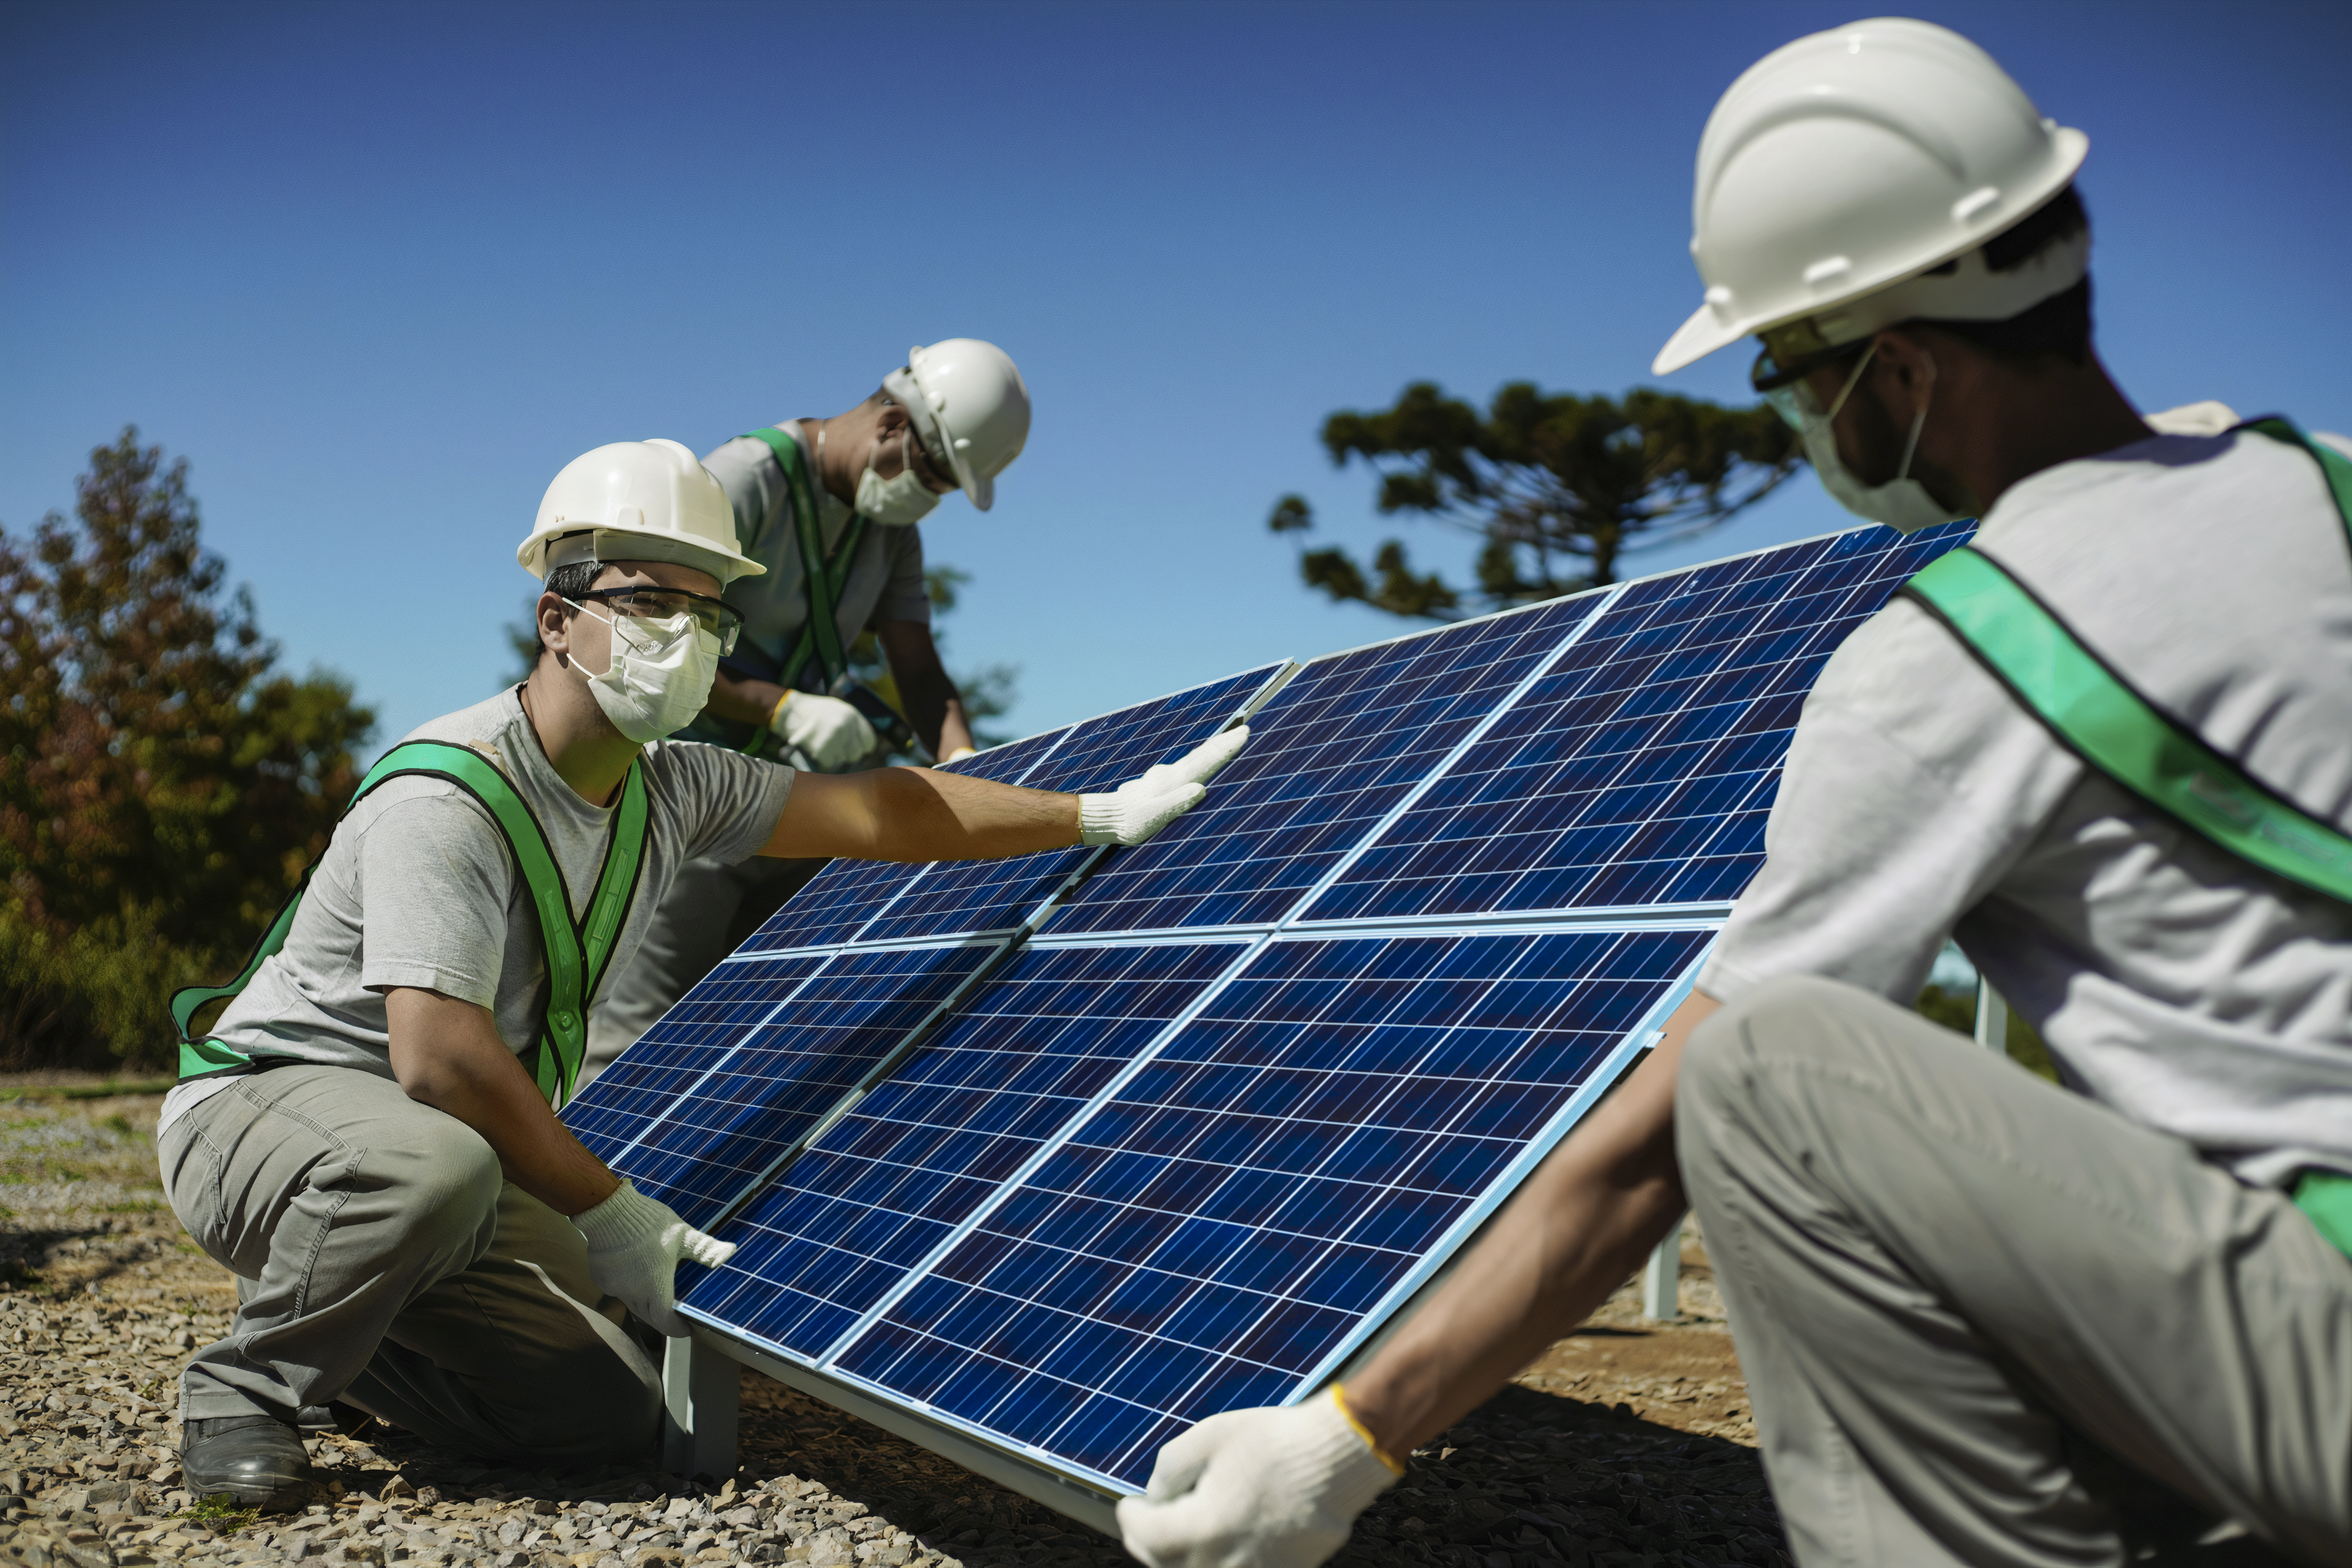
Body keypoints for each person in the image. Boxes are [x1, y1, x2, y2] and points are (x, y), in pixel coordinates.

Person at [1116, 19, 2352, 1568]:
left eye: (1791, 373)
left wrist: (1349, 1436)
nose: (1798, 418)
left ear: (1899, 365)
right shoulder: (2330, 480)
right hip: (2280, 1325)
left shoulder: (1951, 662)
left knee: (1769, 1076)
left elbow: (1658, 1144)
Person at [159, 436, 1243, 1510]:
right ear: (557, 620)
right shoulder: (450, 798)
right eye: (649, 606)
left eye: (708, 614)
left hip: (442, 1146)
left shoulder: (676, 788)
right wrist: (614, 1211)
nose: (686, 640)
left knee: (607, 1416)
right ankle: (244, 1391)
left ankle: (353, 1315)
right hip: (267, 1114)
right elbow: (439, 1059)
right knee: (434, 1174)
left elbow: (883, 807)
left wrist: (1095, 812)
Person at [582, 339, 1031, 1085]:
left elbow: (917, 669)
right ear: (891, 423)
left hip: (785, 801)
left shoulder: (891, 534)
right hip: (678, 793)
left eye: (946, 488)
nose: (927, 498)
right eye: (930, 474)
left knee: (770, 1021)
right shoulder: (739, 482)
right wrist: (783, 706)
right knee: (635, 1035)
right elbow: (646, 637)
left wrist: (964, 761)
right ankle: (577, 1194)